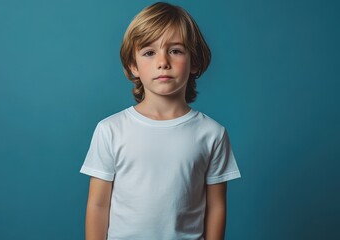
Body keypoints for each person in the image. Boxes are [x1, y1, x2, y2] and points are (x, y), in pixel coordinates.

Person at [80, 2, 241, 239]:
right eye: (149, 52)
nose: (162, 61)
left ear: (194, 61)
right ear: (133, 65)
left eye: (175, 50)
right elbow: (98, 205)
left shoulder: (212, 134)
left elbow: (216, 206)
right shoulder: (110, 130)